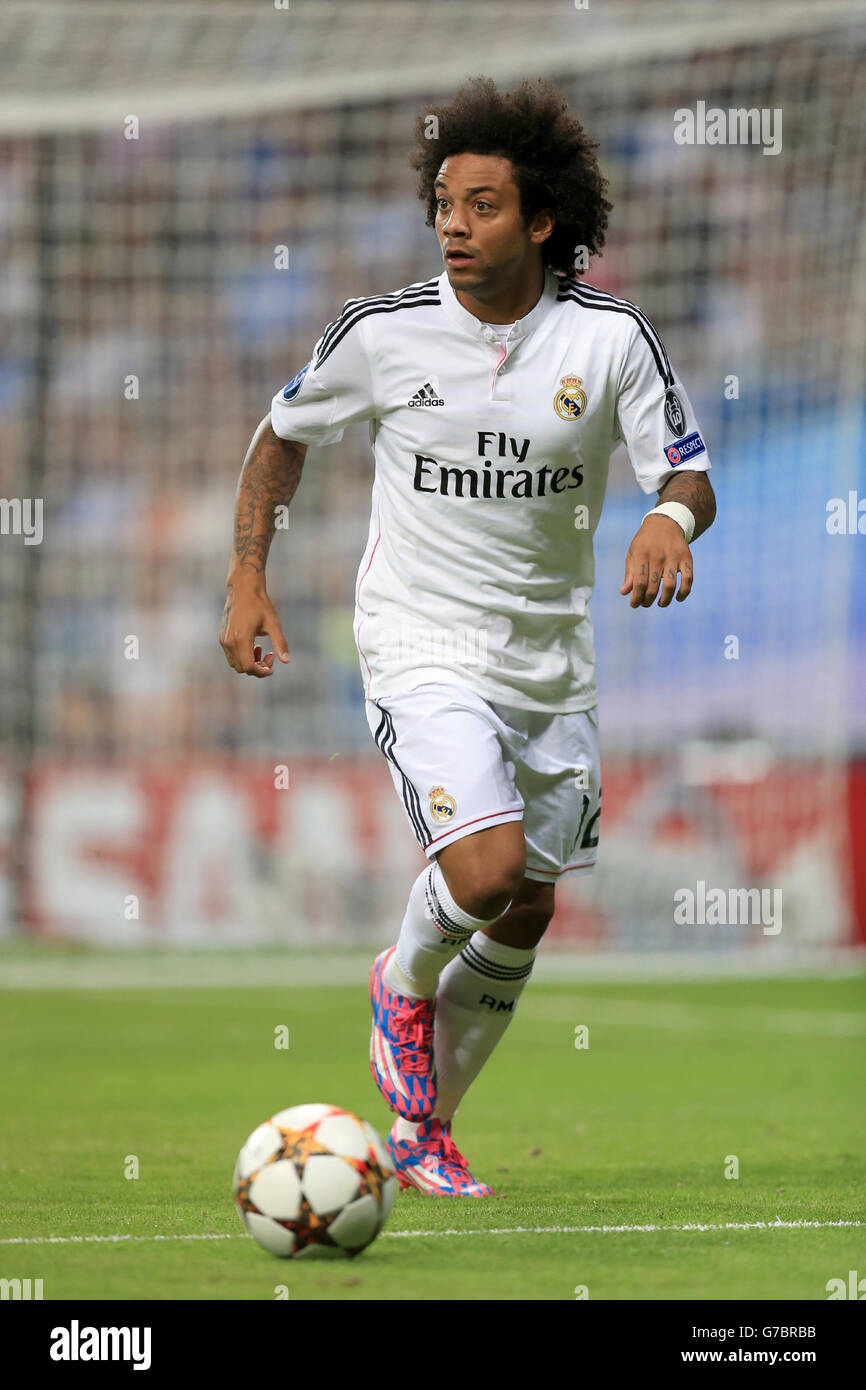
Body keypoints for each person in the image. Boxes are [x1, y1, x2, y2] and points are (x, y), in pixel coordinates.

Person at [220, 76, 716, 1197]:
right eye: (443, 201)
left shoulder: (609, 339)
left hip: (552, 657)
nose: (452, 221)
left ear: (540, 220)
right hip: (418, 638)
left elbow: (684, 468)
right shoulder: (383, 334)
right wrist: (247, 576)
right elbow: (279, 436)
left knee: (530, 901)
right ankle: (399, 982)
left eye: (481, 204)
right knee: (483, 871)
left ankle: (423, 1128)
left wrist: (664, 516)